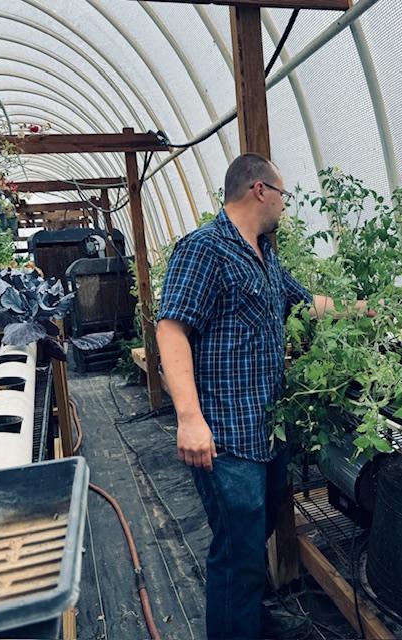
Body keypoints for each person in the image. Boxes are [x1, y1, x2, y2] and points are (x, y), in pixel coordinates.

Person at [157, 153, 369, 640]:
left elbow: (307, 304)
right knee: (236, 552)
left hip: (267, 432)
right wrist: (189, 419)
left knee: (257, 533)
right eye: (284, 195)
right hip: (226, 437)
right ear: (260, 190)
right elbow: (171, 330)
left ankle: (248, 616)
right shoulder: (204, 249)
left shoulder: (265, 252)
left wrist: (370, 309)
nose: (285, 206)